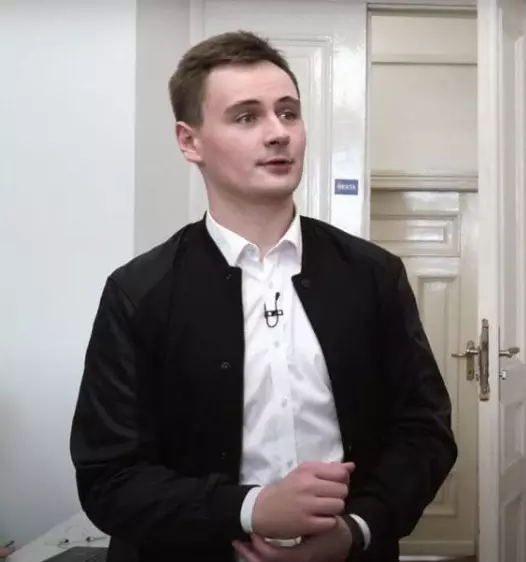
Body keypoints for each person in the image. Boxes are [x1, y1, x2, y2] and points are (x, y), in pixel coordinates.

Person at [70, 31, 457, 562]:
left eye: (288, 113)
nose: (278, 133)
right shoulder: (138, 292)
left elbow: (424, 433)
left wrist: (356, 529)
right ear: (189, 141)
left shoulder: (373, 275)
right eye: (247, 117)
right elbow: (109, 476)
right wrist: (250, 509)